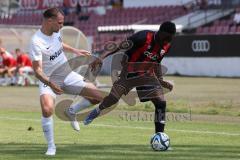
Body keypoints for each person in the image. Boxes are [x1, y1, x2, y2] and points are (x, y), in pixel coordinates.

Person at [29, 7, 103, 156]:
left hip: (66, 74)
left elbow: (59, 45)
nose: (62, 25)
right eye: (60, 23)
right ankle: (51, 147)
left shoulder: (56, 32)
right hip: (47, 79)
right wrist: (50, 84)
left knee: (98, 96)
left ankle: (71, 111)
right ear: (50, 21)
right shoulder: (36, 41)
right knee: (47, 109)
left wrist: (76, 51)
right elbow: (37, 71)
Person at [84, 21, 176, 135]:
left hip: (147, 74)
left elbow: (156, 63)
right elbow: (119, 45)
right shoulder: (144, 36)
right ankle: (97, 111)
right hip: (129, 71)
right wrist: (101, 57)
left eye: (170, 39)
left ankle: (160, 136)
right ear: (160, 32)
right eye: (166, 38)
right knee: (113, 99)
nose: (167, 41)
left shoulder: (166, 46)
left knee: (161, 103)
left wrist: (161, 81)